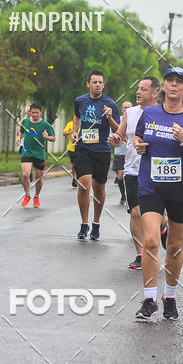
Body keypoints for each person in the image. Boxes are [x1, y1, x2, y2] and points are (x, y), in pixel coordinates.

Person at [133, 67, 183, 321]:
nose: (174, 85)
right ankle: (148, 299)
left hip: (180, 189)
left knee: (174, 246)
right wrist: (137, 144)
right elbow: (138, 136)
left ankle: (170, 297)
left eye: (180, 82)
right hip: (150, 185)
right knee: (152, 241)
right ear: (163, 87)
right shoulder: (151, 113)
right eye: (170, 81)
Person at [108, 77, 166, 270]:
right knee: (136, 213)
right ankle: (140, 255)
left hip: (155, 170)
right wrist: (115, 138)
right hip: (132, 169)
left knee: (158, 216)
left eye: (143, 89)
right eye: (138, 88)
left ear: (155, 93)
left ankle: (163, 229)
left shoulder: (163, 113)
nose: (138, 92)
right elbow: (121, 136)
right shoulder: (130, 112)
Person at [72, 70, 120, 241]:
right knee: (84, 185)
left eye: (100, 82)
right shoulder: (80, 100)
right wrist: (74, 132)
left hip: (102, 151)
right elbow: (77, 117)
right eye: (94, 82)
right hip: (83, 148)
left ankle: (96, 222)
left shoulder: (110, 104)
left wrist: (110, 117)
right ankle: (84, 223)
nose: (97, 85)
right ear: (88, 84)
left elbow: (117, 131)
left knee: (99, 188)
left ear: (103, 84)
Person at [16, 103, 56, 208]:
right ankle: (27, 194)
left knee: (39, 177)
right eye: (32, 113)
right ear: (30, 112)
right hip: (27, 151)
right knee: (25, 174)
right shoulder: (25, 121)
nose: (34, 115)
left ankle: (36, 197)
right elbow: (21, 131)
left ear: (40, 112)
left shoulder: (45, 124)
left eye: (36, 113)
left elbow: (53, 138)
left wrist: (47, 137)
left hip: (39, 153)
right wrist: (18, 137)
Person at [112, 100, 132, 205]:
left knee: (129, 176)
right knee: (120, 175)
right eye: (125, 107)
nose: (126, 109)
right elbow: (113, 135)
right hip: (119, 153)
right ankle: (123, 195)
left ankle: (129, 195)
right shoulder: (117, 120)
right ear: (121, 109)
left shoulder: (136, 120)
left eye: (129, 107)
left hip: (132, 154)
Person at [62, 119, 78, 187]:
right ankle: (74, 178)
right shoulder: (70, 124)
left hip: (82, 148)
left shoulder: (84, 123)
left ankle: (80, 178)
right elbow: (64, 133)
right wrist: (71, 132)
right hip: (72, 148)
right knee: (74, 164)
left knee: (80, 163)